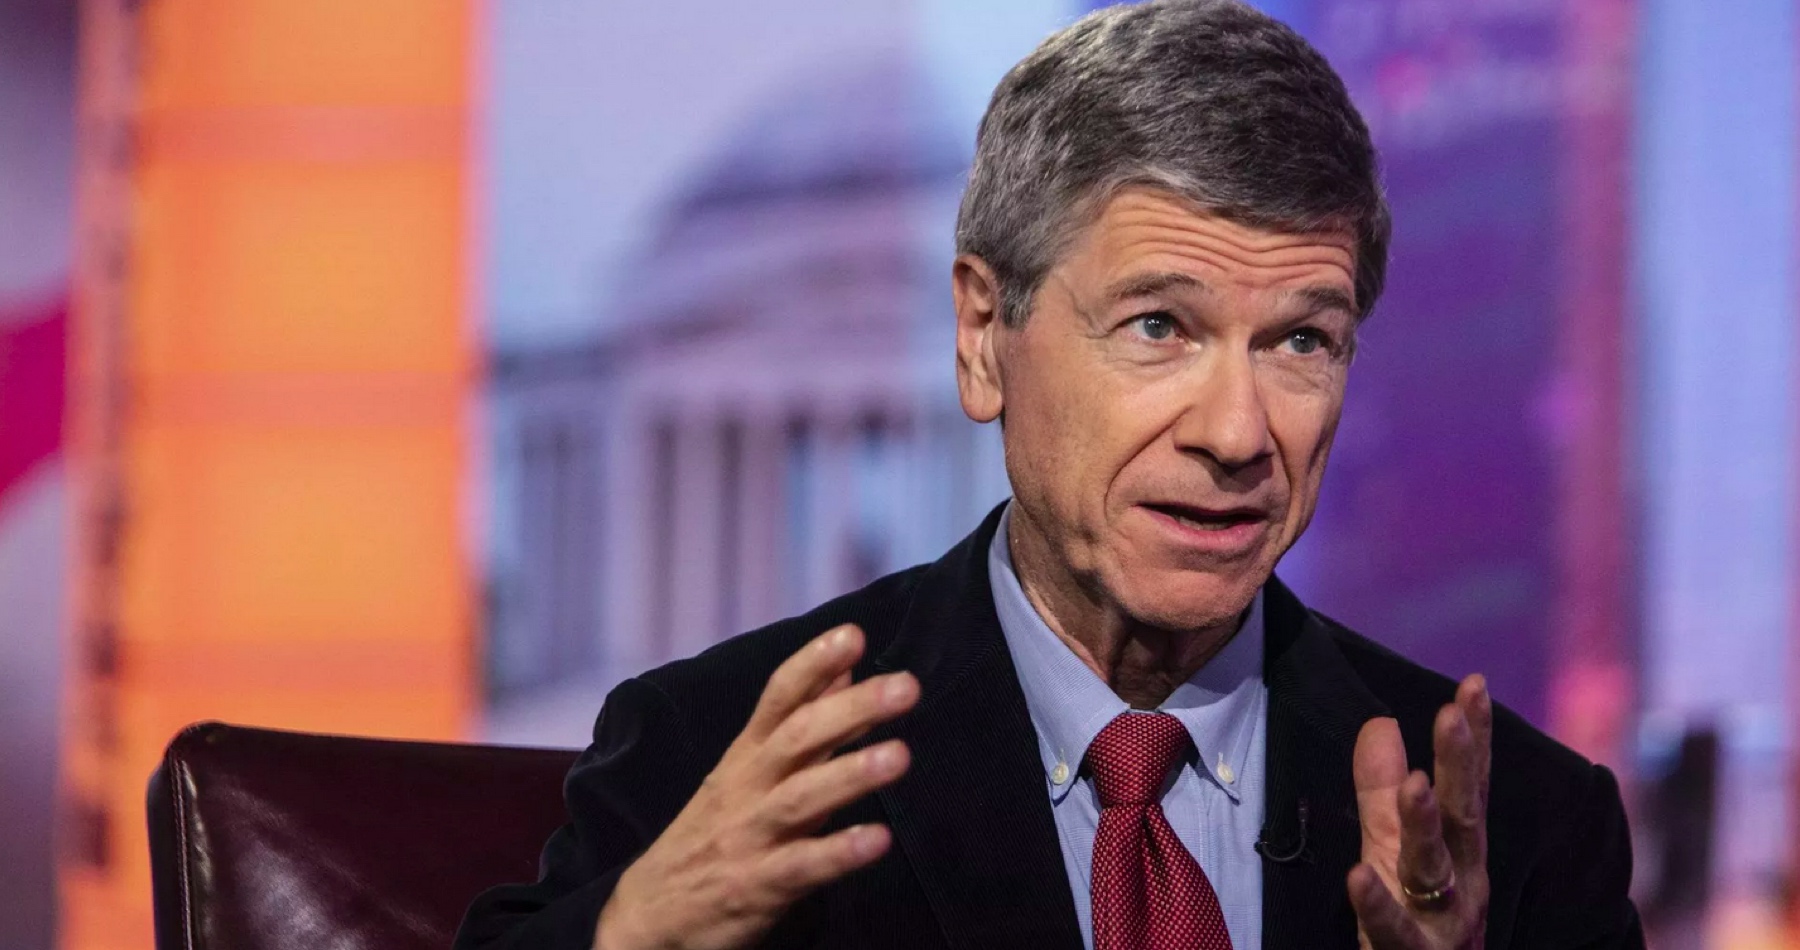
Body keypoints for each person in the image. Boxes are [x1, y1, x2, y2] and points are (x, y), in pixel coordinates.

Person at [455, 1, 1641, 948]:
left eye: (1299, 341)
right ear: (985, 336)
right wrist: (635, 936)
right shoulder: (718, 757)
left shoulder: (1525, 828)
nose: (1238, 433)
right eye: (1159, 326)